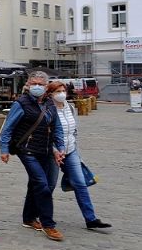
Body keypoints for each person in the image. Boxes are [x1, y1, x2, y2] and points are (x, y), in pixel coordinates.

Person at [0, 71, 66, 242]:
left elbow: (56, 126)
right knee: (42, 185)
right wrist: (4, 149)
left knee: (37, 184)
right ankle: (48, 224)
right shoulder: (21, 104)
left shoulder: (50, 103)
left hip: (45, 150)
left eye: (40, 84)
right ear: (28, 85)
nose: (37, 86)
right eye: (34, 83)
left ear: (46, 86)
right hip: (26, 150)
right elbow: (7, 128)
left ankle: (28, 218)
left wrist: (60, 147)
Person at [44, 82, 111, 230]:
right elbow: (47, 133)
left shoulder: (70, 107)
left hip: (71, 150)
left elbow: (74, 130)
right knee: (49, 185)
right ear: (50, 94)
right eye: (58, 91)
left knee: (80, 183)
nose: (62, 94)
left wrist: (75, 149)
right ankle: (40, 215)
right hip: (53, 153)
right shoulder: (47, 109)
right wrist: (55, 150)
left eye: (63, 91)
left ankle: (91, 219)